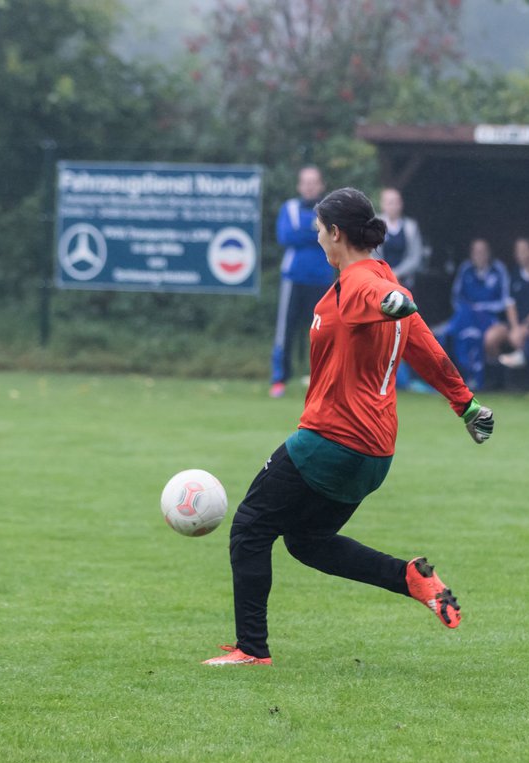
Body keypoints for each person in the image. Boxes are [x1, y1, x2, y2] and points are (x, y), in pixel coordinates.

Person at [205, 187, 496, 666]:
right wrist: (466, 407)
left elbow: (380, 297)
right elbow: (428, 352)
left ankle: (251, 650)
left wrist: (394, 300)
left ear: (336, 233)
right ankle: (410, 578)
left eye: (320, 230)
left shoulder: (362, 283)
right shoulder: (375, 278)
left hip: (331, 440)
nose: (317, 238)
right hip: (374, 454)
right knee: (307, 541)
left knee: (251, 527)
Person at [269, 166, 336, 399]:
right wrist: (314, 233)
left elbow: (332, 238)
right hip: (293, 278)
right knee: (285, 330)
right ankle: (279, 380)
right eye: (305, 182)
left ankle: (323, 382)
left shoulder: (329, 210)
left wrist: (308, 233)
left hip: (322, 279)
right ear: (299, 186)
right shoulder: (289, 208)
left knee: (323, 333)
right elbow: (286, 237)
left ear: (321, 185)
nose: (309, 186)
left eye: (314, 182)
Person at [440, 239, 516, 389]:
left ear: (489, 253)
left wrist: (481, 308)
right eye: (476, 252)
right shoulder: (465, 269)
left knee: (485, 339)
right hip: (468, 317)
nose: (479, 255)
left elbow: (506, 300)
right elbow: (456, 297)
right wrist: (470, 310)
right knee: (455, 335)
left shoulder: (498, 269)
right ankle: (457, 377)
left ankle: (488, 379)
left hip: (491, 318)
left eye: (482, 251)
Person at [373, 187, 429, 392]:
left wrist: (397, 273)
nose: (392, 205)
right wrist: (387, 275)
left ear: (401, 204)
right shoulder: (375, 225)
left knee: (407, 330)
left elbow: (416, 257)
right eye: (388, 202)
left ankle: (409, 377)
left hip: (405, 286)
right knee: (382, 330)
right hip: (382, 286)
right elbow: (371, 253)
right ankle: (381, 375)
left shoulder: (411, 227)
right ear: (382, 204)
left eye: (395, 201)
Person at [497, 237, 529, 372]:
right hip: (515, 324)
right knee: (492, 337)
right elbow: (510, 304)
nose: (520, 253)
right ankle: (495, 378)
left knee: (522, 338)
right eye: (517, 250)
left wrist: (525, 325)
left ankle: (528, 377)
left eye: (523, 250)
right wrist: (515, 327)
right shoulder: (513, 274)